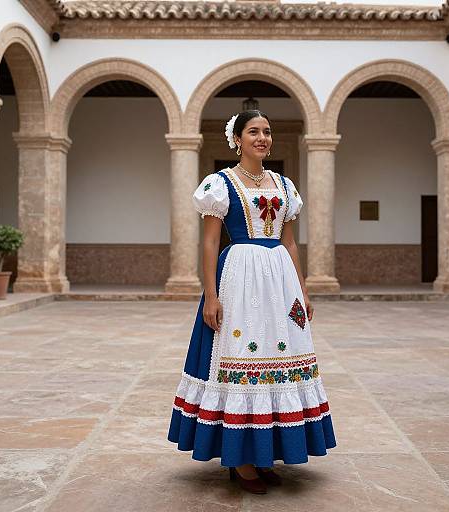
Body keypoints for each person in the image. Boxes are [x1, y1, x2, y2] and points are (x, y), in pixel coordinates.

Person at [167, 110, 337, 494]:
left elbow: (290, 242)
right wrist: (210, 295)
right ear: (238, 139)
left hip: (280, 280)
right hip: (240, 277)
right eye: (254, 132)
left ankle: (264, 454)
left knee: (280, 359)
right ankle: (241, 460)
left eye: (267, 132)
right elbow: (210, 241)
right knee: (241, 355)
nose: (263, 138)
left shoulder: (284, 185)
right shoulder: (221, 184)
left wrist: (303, 290)